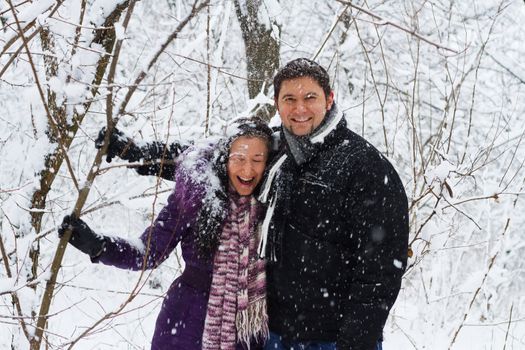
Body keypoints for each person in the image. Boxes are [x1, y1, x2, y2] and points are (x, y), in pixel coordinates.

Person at [99, 58, 409, 350]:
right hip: (272, 334)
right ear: (277, 104)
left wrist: (356, 341)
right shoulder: (275, 150)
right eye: (289, 99)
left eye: (310, 98)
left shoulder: (365, 167)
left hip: (330, 339)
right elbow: (216, 162)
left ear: (329, 99)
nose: (299, 109)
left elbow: (381, 270)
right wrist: (136, 153)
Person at [59, 117, 273, 350]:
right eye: (239, 159)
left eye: (257, 160)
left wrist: (140, 153)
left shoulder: (274, 205)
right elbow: (149, 251)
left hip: (248, 331)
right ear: (224, 158)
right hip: (184, 324)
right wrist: (100, 247)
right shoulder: (197, 197)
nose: (247, 169)